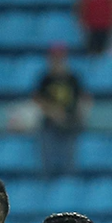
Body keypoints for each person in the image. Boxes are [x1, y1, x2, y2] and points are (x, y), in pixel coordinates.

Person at [31, 43, 88, 175]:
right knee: (48, 161)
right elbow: (38, 100)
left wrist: (79, 116)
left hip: (69, 123)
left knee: (69, 161)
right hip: (49, 125)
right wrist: (53, 113)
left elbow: (82, 99)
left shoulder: (73, 79)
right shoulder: (45, 79)